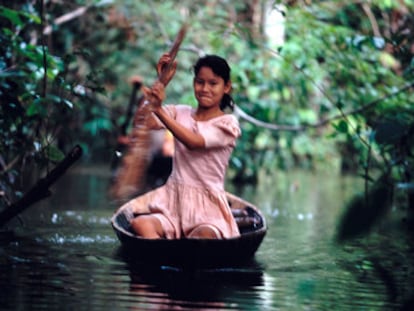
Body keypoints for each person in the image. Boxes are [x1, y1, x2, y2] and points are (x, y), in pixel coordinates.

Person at [121, 53, 241, 239]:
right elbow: (142, 121)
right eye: (200, 82)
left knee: (201, 237)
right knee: (140, 224)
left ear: (226, 87)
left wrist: (159, 109)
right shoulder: (180, 112)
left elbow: (194, 142)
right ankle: (162, 261)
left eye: (213, 83)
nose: (204, 89)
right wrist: (162, 82)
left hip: (208, 210)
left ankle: (173, 258)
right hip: (173, 204)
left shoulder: (227, 124)